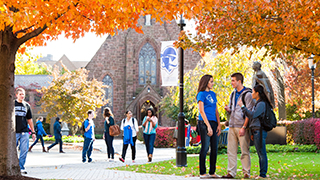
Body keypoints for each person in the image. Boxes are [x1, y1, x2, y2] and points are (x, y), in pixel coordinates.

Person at [222, 73, 254, 179]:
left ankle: (246, 173)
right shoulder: (233, 94)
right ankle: (231, 173)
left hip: (241, 126)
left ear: (239, 81)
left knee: (244, 151)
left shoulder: (248, 94)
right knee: (231, 151)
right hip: (232, 126)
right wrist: (229, 110)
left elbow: (249, 112)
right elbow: (234, 110)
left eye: (233, 81)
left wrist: (244, 127)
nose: (231, 83)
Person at [239, 84, 269, 178]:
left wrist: (243, 107)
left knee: (261, 153)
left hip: (259, 131)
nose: (251, 94)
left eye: (253, 92)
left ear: (257, 93)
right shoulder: (258, 103)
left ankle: (262, 174)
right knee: (260, 152)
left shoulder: (261, 104)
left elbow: (253, 115)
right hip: (256, 131)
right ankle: (262, 173)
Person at [196, 74, 221, 179]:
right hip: (204, 123)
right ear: (206, 82)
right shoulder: (201, 94)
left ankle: (212, 172)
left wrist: (219, 124)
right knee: (205, 147)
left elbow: (216, 110)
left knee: (214, 148)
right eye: (211, 81)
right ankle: (202, 173)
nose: (212, 83)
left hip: (214, 122)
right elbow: (201, 111)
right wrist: (208, 126)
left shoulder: (213, 94)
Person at [15, 88, 36, 174]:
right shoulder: (12, 104)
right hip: (14, 132)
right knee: (13, 150)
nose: (22, 96)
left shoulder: (26, 105)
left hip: (24, 131)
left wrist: (33, 132)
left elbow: (30, 119)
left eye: (23, 94)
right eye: (20, 94)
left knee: (24, 150)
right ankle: (13, 166)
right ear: (16, 95)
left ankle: (21, 167)